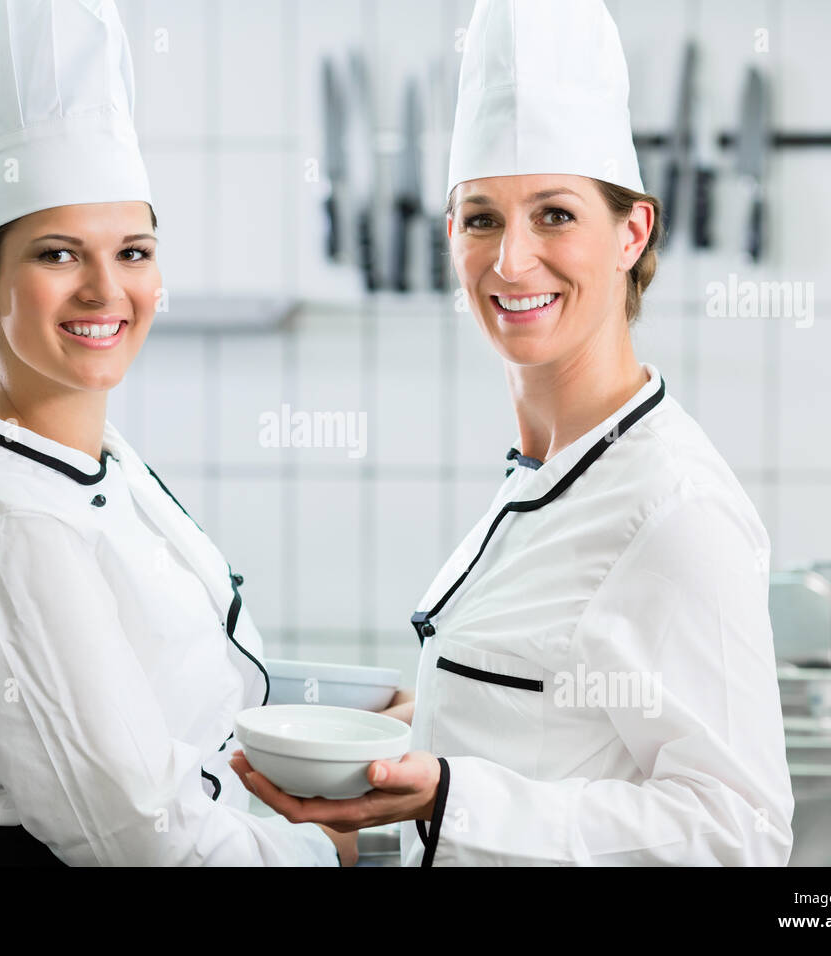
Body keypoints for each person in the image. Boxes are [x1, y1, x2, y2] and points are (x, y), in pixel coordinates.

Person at [232, 0, 794, 866]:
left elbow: (740, 836)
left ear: (631, 231)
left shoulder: (672, 507)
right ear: (450, 232)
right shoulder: (543, 473)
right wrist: (417, 729)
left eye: (556, 215)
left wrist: (450, 795)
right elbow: (564, 718)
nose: (511, 260)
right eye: (483, 217)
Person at [0, 0, 349, 867]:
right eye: (59, 254)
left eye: (133, 251)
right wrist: (321, 857)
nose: (106, 289)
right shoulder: (2, 516)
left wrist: (372, 714)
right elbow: (136, 828)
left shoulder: (84, 466)